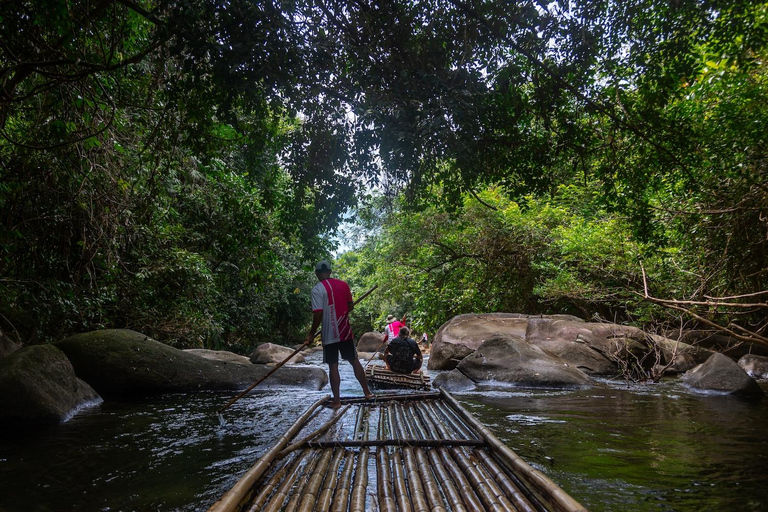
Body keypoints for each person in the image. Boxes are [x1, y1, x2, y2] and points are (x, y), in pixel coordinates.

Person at [306, 260, 374, 409]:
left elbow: (318, 314)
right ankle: (367, 393)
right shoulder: (344, 285)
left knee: (333, 366)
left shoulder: (317, 289)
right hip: (344, 330)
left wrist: (311, 334)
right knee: (354, 361)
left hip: (329, 334)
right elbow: (350, 307)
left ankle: (337, 401)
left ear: (317, 274)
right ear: (330, 272)